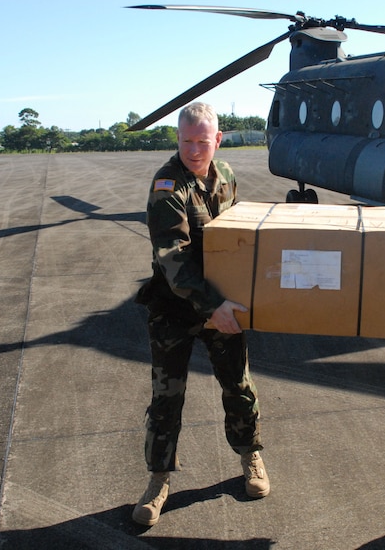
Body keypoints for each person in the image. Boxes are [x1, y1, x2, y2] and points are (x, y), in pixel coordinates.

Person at [132, 102, 269, 527]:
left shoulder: (225, 175)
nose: (194, 150)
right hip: (176, 309)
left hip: (222, 304)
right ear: (178, 139)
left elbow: (237, 238)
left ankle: (251, 456)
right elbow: (174, 258)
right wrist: (214, 307)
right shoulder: (167, 187)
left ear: (217, 140)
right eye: (187, 141)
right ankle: (158, 480)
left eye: (202, 141)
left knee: (238, 384)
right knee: (166, 398)